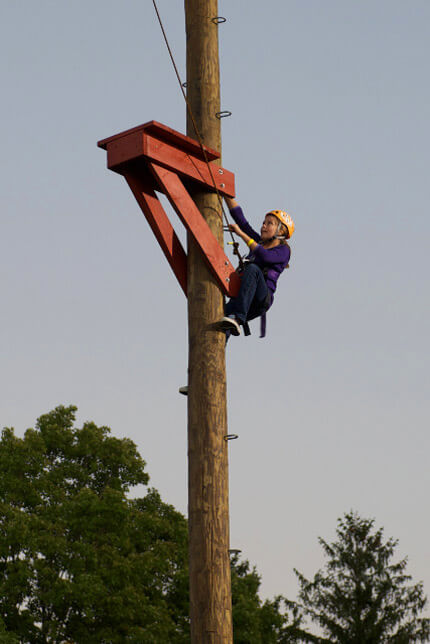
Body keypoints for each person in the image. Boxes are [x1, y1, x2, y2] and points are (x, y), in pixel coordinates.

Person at [216, 197, 294, 338]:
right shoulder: (258, 242)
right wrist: (226, 195)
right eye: (264, 222)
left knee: (253, 269)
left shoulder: (283, 251)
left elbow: (265, 256)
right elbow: (242, 221)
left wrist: (241, 235)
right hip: (244, 297)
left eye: (269, 223)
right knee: (217, 321)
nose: (263, 226)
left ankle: (238, 318)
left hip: (260, 299)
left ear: (281, 231)